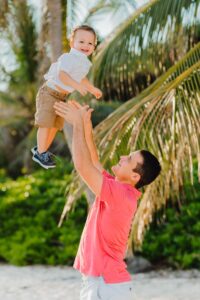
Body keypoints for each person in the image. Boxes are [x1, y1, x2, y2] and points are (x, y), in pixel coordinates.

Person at [54, 100, 161, 300]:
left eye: (129, 159)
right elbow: (93, 160)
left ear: (135, 177)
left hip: (107, 283)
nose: (122, 157)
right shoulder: (118, 187)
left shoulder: (120, 194)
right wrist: (86, 125)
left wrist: (76, 124)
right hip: (102, 281)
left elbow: (83, 166)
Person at [32, 25, 102, 169]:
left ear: (94, 47)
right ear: (72, 43)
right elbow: (62, 76)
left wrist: (91, 88)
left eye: (90, 43)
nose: (85, 46)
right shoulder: (68, 57)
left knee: (55, 125)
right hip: (49, 93)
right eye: (81, 42)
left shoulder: (84, 63)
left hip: (61, 97)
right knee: (46, 122)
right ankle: (40, 152)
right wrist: (77, 86)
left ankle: (42, 150)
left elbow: (82, 79)